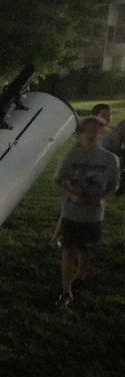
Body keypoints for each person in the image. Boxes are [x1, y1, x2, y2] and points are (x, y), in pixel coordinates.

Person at [53, 117, 120, 308]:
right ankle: (66, 291)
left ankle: (80, 276)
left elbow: (113, 185)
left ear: (103, 135)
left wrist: (102, 197)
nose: (91, 135)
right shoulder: (71, 157)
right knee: (68, 251)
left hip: (93, 216)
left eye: (96, 131)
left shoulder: (109, 159)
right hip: (72, 214)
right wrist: (71, 195)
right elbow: (57, 181)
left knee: (87, 252)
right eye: (87, 131)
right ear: (79, 135)